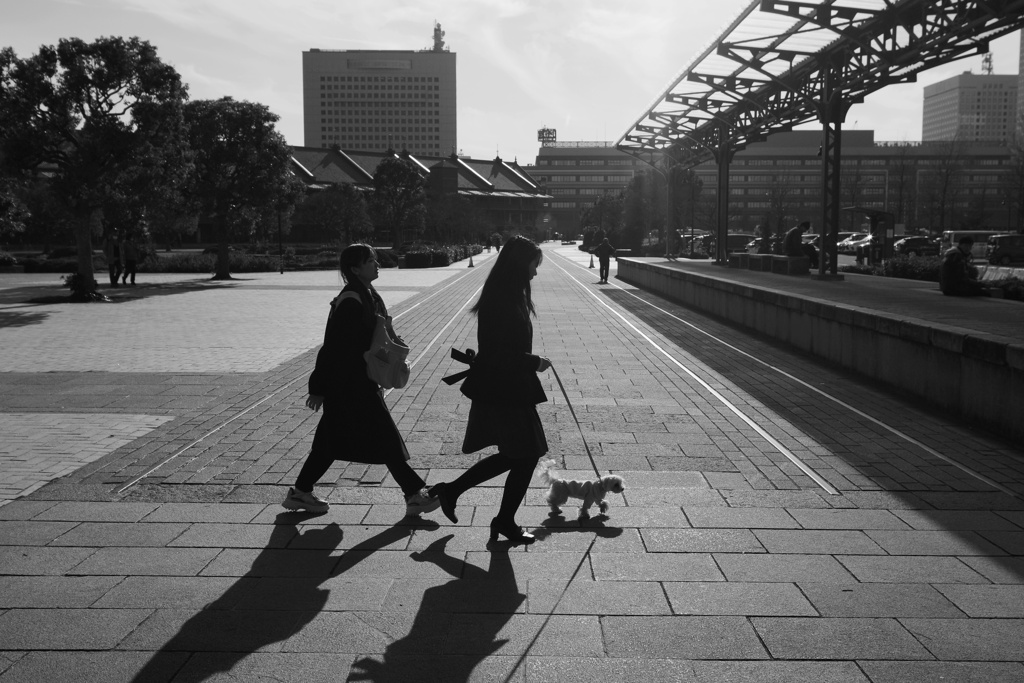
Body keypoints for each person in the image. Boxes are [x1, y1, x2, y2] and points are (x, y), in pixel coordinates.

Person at [283, 243, 439, 516]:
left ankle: (300, 491)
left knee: (329, 443)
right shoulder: (352, 300)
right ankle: (415, 493)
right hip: (349, 384)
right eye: (370, 260)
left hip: (355, 382)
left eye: (375, 259)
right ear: (355, 268)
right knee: (385, 437)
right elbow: (332, 347)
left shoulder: (365, 294)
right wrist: (318, 388)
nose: (377, 264)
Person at [432, 235, 552, 545]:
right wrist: (534, 361)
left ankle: (459, 495)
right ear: (518, 265)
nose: (535, 272)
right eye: (533, 265)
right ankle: (502, 520)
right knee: (525, 454)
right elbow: (499, 353)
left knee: (520, 454)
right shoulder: (502, 299)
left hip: (508, 387)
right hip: (503, 389)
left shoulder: (508, 294)